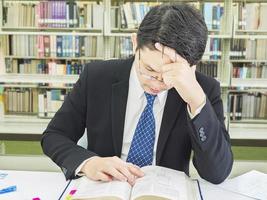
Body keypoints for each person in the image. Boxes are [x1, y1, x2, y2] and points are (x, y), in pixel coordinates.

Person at [41, 3, 233, 185]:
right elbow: (54, 135)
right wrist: (88, 163)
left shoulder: (204, 90)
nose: (159, 84)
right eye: (149, 69)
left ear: (192, 65)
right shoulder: (97, 77)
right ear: (135, 43)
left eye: (170, 75)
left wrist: (196, 101)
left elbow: (217, 173)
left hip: (164, 192)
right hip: (106, 188)